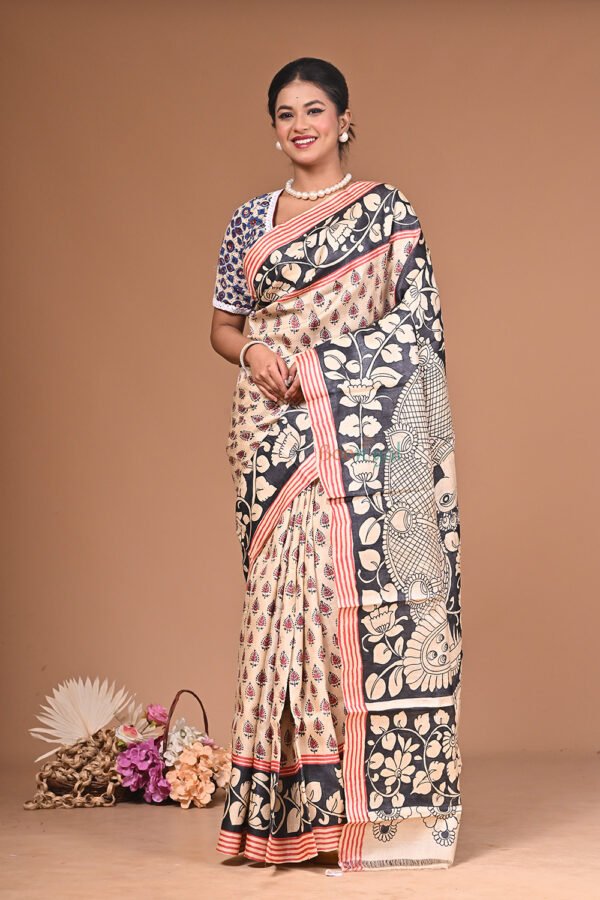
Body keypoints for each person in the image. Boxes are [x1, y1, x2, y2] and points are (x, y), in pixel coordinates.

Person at [210, 57, 463, 872]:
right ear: (273, 128)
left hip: (356, 437)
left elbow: (416, 329)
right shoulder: (249, 222)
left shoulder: (388, 214)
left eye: (314, 109)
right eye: (286, 113)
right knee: (276, 613)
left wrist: (321, 369)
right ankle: (279, 816)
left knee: (336, 607)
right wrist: (253, 352)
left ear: (345, 120)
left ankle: (353, 813)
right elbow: (223, 325)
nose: (300, 125)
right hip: (268, 431)